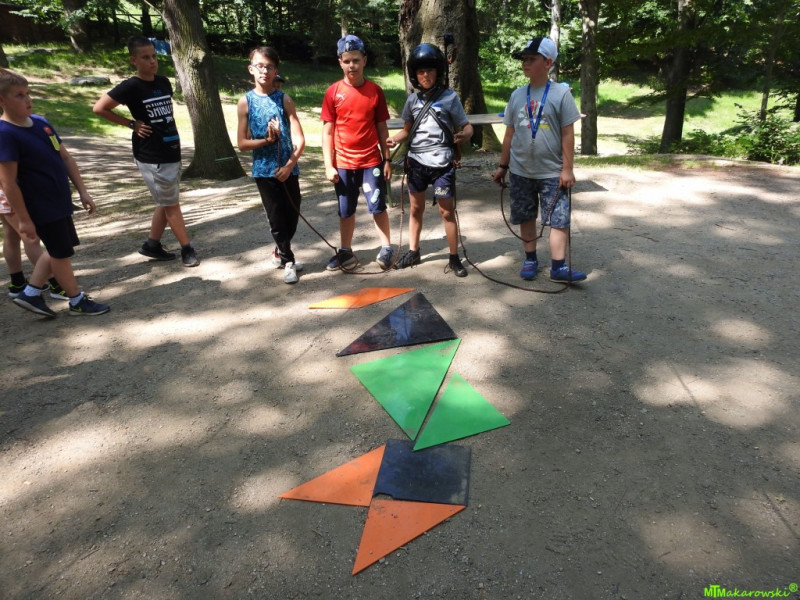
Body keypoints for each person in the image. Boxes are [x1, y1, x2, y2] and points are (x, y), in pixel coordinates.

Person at [0, 68, 110, 317]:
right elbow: (8, 182)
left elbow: (66, 158)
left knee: (59, 249)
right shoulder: (5, 134)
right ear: (2, 100)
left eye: (28, 93)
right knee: (60, 252)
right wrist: (24, 219)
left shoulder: (42, 124)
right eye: (19, 95)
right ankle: (75, 300)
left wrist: (83, 191)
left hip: (58, 200)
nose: (28, 100)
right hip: (39, 205)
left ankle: (31, 293)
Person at [93, 35, 199, 268]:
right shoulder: (131, 86)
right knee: (171, 204)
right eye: (145, 58)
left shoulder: (163, 82)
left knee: (166, 200)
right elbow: (99, 108)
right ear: (134, 60)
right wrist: (131, 124)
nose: (152, 61)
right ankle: (187, 249)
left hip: (171, 150)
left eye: (154, 56)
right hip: (152, 155)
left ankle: (152, 245)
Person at [491, 38, 587, 283]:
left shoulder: (561, 94)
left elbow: (567, 133)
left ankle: (558, 266)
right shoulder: (517, 95)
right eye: (524, 59)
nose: (526, 63)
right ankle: (530, 259)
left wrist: (567, 169)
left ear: (548, 62)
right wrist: (503, 166)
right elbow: (509, 134)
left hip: (552, 172)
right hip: (521, 170)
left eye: (532, 59)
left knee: (558, 219)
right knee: (526, 216)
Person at [387, 43, 473, 277]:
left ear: (438, 72)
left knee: (447, 212)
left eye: (430, 70)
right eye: (421, 71)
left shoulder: (450, 98)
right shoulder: (412, 101)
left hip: (442, 164)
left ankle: (454, 257)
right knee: (416, 209)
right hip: (416, 163)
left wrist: (464, 135)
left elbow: (467, 126)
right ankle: (413, 251)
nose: (425, 75)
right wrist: (394, 139)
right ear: (414, 75)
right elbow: (407, 131)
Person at [321, 34, 394, 271]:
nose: (352, 65)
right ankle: (345, 251)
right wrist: (328, 165)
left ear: (364, 60)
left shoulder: (375, 91)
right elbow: (327, 132)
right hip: (343, 163)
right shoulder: (333, 92)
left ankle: (386, 247)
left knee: (378, 206)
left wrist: (387, 159)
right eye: (347, 61)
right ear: (340, 63)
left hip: (371, 161)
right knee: (345, 210)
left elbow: (382, 127)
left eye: (356, 60)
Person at [237, 46, 306, 284]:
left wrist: (289, 165)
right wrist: (266, 140)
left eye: (269, 67)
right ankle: (288, 260)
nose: (264, 71)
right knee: (276, 218)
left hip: (288, 169)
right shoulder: (245, 102)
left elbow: (299, 139)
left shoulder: (284, 99)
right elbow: (242, 143)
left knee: (293, 214)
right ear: (251, 69)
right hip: (264, 171)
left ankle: (279, 251)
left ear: (276, 70)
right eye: (259, 66)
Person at [2, 186, 69, 300]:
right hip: (8, 191)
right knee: (31, 238)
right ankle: (56, 284)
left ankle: (17, 283)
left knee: (11, 234)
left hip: (5, 192)